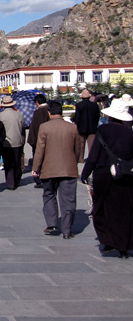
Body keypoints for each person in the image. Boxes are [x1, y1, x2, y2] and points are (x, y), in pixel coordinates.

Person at [81, 98, 133, 257]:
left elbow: (94, 154)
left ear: (110, 116)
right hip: (125, 176)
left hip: (103, 175)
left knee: (100, 209)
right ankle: (124, 245)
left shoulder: (103, 130)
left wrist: (85, 172)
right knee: (124, 210)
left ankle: (108, 241)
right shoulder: (129, 133)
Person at [32, 101, 82, 240]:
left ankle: (52, 224)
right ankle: (67, 230)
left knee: (49, 195)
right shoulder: (72, 127)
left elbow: (40, 149)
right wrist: (74, 160)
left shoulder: (44, 127)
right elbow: (78, 148)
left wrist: (36, 167)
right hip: (68, 169)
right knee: (68, 200)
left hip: (49, 169)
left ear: (49, 113)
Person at [0, 96, 26, 190]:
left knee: (8, 163)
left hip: (5, 143)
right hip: (17, 142)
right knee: (17, 162)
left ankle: (10, 183)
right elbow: (22, 128)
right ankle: (17, 180)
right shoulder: (19, 115)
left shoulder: (0, 116)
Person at [26, 93, 49, 188]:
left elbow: (36, 128)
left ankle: (39, 178)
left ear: (37, 102)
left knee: (39, 159)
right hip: (49, 140)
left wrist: (33, 141)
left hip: (39, 141)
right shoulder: (49, 110)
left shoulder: (39, 112)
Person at [73, 89, 100, 162]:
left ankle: (81, 159)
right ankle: (92, 159)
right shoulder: (95, 105)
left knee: (81, 145)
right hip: (92, 127)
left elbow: (77, 117)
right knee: (91, 145)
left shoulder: (79, 105)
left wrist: (76, 126)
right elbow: (97, 116)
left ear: (82, 97)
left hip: (81, 128)